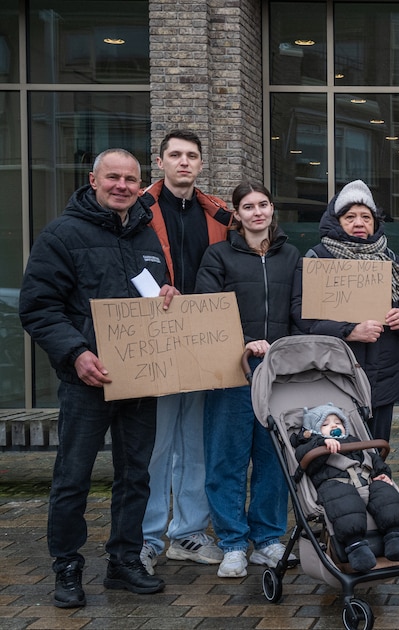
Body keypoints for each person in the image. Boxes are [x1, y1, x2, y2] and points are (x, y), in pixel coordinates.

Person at [20, 149, 178, 607]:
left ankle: (124, 562)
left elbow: (155, 296)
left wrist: (168, 293)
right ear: (93, 180)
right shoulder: (61, 235)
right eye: (113, 177)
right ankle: (67, 568)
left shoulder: (146, 235)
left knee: (136, 475)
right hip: (86, 381)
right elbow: (38, 308)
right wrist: (75, 354)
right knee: (73, 477)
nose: (123, 186)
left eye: (131, 179)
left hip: (139, 379)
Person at [195, 181, 299, 577]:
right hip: (231, 369)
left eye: (264, 204)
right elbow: (207, 312)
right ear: (236, 214)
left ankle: (269, 540)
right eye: (249, 206)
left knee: (273, 457)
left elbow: (299, 310)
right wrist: (243, 343)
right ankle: (233, 544)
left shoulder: (291, 256)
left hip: (278, 372)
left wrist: (286, 349)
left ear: (272, 209)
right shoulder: (218, 255)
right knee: (227, 457)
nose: (258, 212)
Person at [139, 130, 231, 575]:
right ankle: (148, 536)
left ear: (200, 163)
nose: (183, 162)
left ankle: (189, 533)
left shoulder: (218, 214)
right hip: (153, 339)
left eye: (191, 155)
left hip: (203, 340)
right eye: (175, 155)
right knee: (155, 445)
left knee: (197, 443)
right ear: (160, 162)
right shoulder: (138, 209)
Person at [291, 180, 399, 444]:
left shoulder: (390, 259)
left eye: (366, 216)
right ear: (337, 221)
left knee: (378, 449)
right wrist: (349, 332)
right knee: (341, 452)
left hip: (383, 378)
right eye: (350, 217)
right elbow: (302, 318)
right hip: (336, 377)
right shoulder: (318, 259)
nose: (359, 222)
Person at [292, 404, 399, 572]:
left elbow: (372, 458)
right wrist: (321, 443)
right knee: (344, 503)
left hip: (366, 481)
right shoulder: (310, 447)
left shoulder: (355, 442)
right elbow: (303, 458)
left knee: (387, 493)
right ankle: (356, 547)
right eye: (325, 424)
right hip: (336, 486)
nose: (334, 425)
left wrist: (382, 473)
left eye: (338, 422)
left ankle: (395, 538)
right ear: (313, 430)